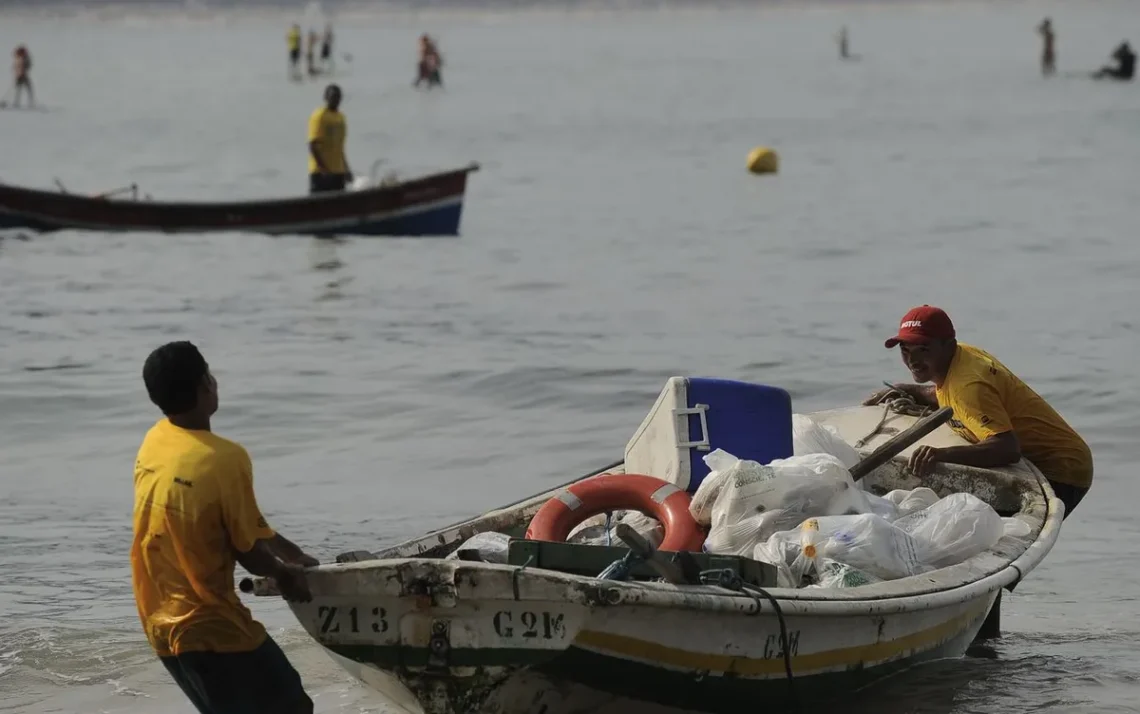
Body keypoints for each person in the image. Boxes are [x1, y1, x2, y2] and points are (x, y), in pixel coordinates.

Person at [132, 341, 318, 714]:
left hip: (158, 620)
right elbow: (247, 551)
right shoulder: (225, 459)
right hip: (210, 625)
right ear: (206, 384)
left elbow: (233, 521)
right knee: (292, 706)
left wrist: (291, 552)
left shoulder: (155, 442)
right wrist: (284, 575)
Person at [864, 305, 1093, 519]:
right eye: (905, 349)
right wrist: (909, 390)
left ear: (949, 346)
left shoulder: (970, 386)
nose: (912, 360)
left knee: (980, 533)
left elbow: (1007, 448)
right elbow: (948, 395)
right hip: (1040, 460)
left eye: (923, 349)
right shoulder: (961, 357)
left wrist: (941, 454)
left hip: (1061, 470)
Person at [308, 84, 352, 193]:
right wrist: (324, 170)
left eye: (337, 97)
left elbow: (340, 148)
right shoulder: (319, 116)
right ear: (326, 98)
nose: (335, 100)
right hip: (321, 174)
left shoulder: (341, 118)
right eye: (332, 97)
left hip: (338, 172)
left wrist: (346, 169)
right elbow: (313, 146)